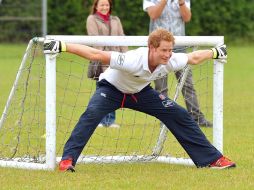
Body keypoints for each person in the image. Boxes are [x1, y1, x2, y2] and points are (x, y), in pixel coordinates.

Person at [44, 28, 236, 172]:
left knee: (179, 114)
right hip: (110, 90)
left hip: (140, 92)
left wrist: (215, 52)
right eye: (164, 50)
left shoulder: (170, 60)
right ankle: (67, 160)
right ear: (151, 48)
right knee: (91, 114)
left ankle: (212, 159)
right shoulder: (131, 59)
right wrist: (62, 46)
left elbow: (193, 58)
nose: (168, 55)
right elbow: (96, 54)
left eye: (170, 50)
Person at [143, 0, 212, 127]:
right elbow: (153, 15)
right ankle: (164, 118)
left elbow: (187, 17)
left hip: (180, 47)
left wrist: (181, 3)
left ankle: (196, 117)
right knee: (161, 86)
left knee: (187, 83)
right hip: (159, 49)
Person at [86, 0, 128, 128]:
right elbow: (95, 39)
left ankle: (109, 121)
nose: (105, 7)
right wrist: (104, 56)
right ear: (96, 6)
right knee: (102, 91)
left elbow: (122, 37)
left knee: (114, 90)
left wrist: (125, 56)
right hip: (101, 59)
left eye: (107, 4)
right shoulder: (91, 19)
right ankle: (99, 120)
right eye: (102, 5)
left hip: (116, 60)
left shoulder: (116, 19)